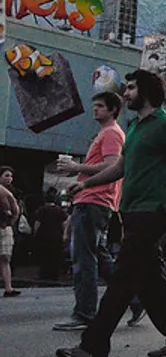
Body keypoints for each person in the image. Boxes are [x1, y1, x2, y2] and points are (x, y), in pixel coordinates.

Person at [56, 69, 166, 357]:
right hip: (130, 211)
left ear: (145, 91)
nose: (126, 93)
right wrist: (85, 182)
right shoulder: (135, 128)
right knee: (149, 280)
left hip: (155, 210)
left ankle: (93, 347)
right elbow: (120, 168)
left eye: (131, 88)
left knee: (122, 275)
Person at [51, 93, 126, 324]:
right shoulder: (106, 133)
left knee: (84, 258)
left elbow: (113, 165)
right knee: (99, 257)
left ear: (113, 110)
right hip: (93, 199)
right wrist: (77, 170)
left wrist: (78, 166)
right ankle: (133, 298)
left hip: (95, 199)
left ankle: (85, 313)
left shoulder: (112, 133)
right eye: (94, 105)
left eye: (101, 106)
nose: (95, 110)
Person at [0, 166, 22, 297]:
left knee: (5, 258)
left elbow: (16, 210)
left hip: (6, 227)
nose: (9, 179)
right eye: (6, 175)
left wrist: (11, 221)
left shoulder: (12, 192)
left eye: (10, 176)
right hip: (4, 224)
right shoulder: (6, 193)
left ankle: (8, 288)